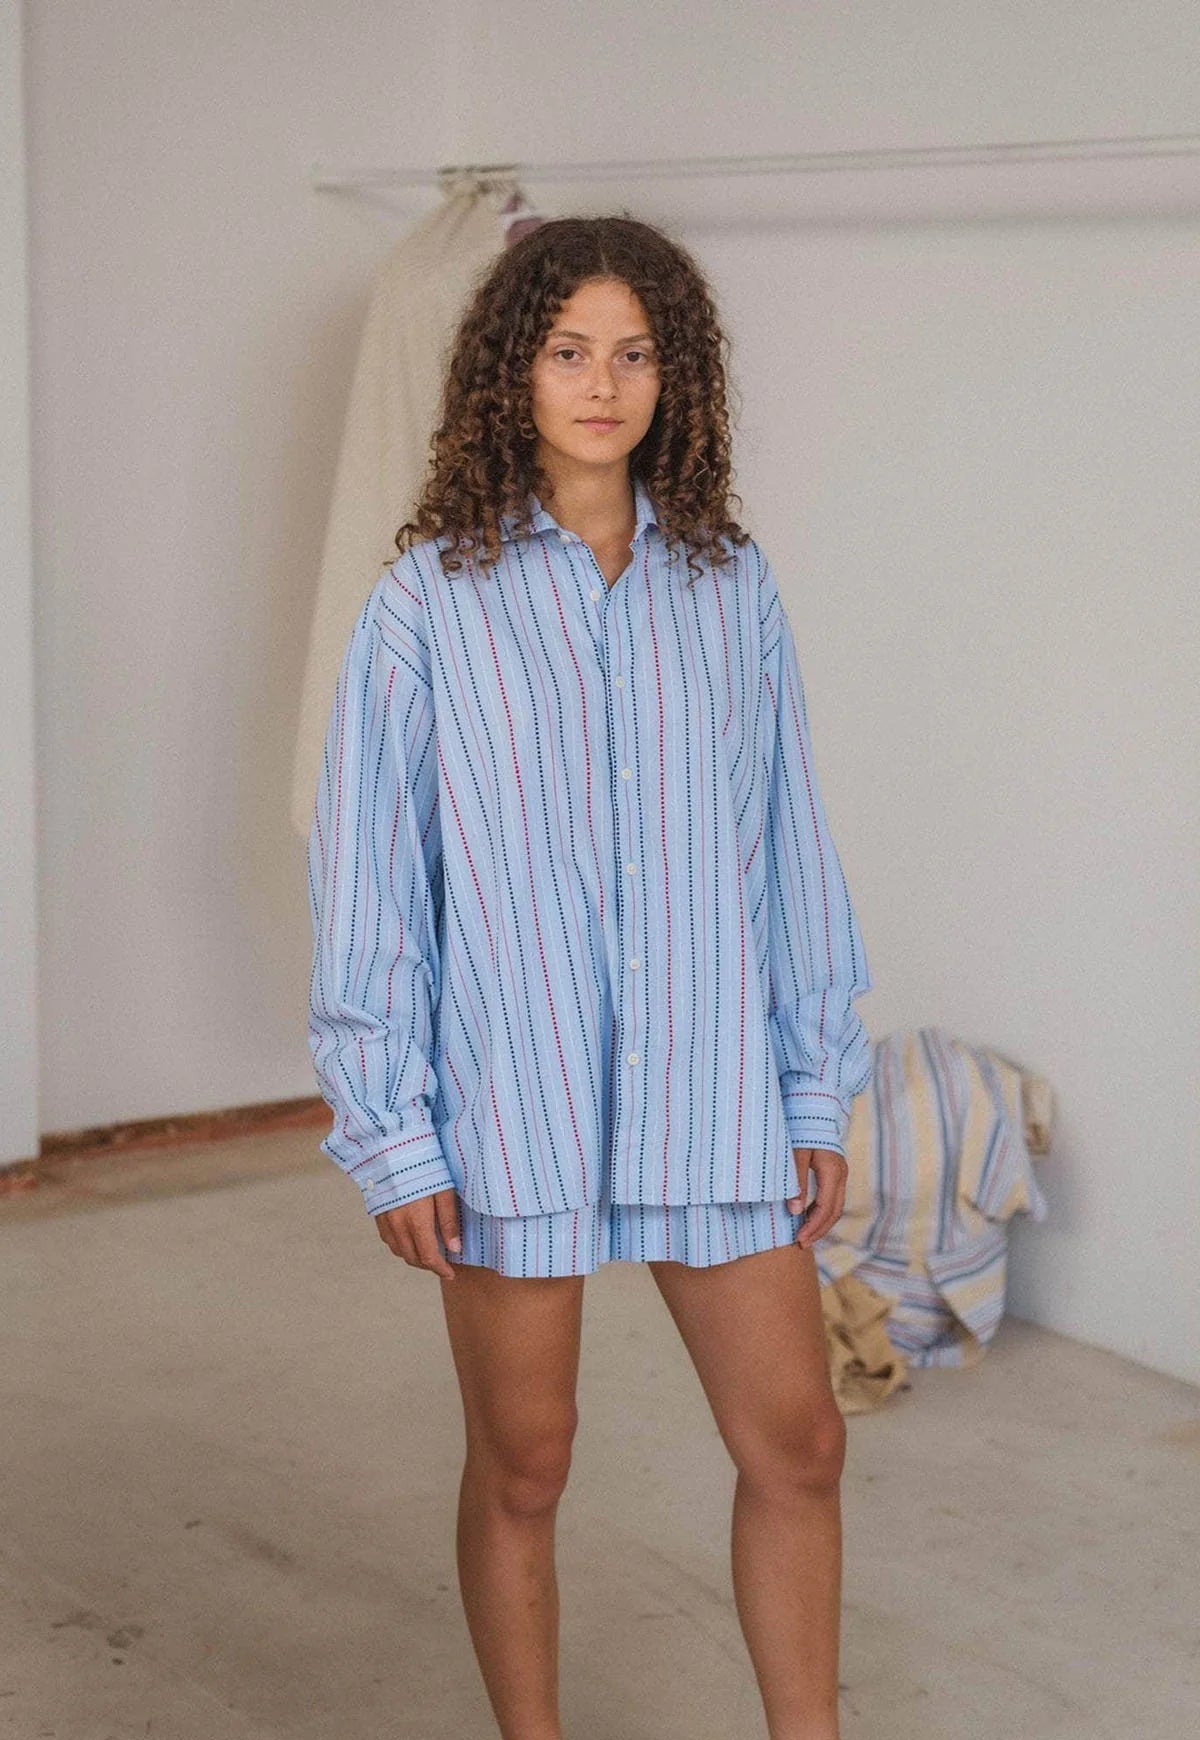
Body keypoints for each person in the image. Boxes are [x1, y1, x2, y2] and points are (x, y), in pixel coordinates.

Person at [307, 215, 873, 1740]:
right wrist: (396, 1135)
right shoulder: (429, 602)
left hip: (711, 1084)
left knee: (801, 1444)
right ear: (514, 372)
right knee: (525, 1465)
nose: (604, 385)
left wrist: (809, 1088)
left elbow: (786, 848)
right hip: (517, 1097)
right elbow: (373, 888)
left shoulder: (730, 587)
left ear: (676, 377)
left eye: (635, 354)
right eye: (569, 352)